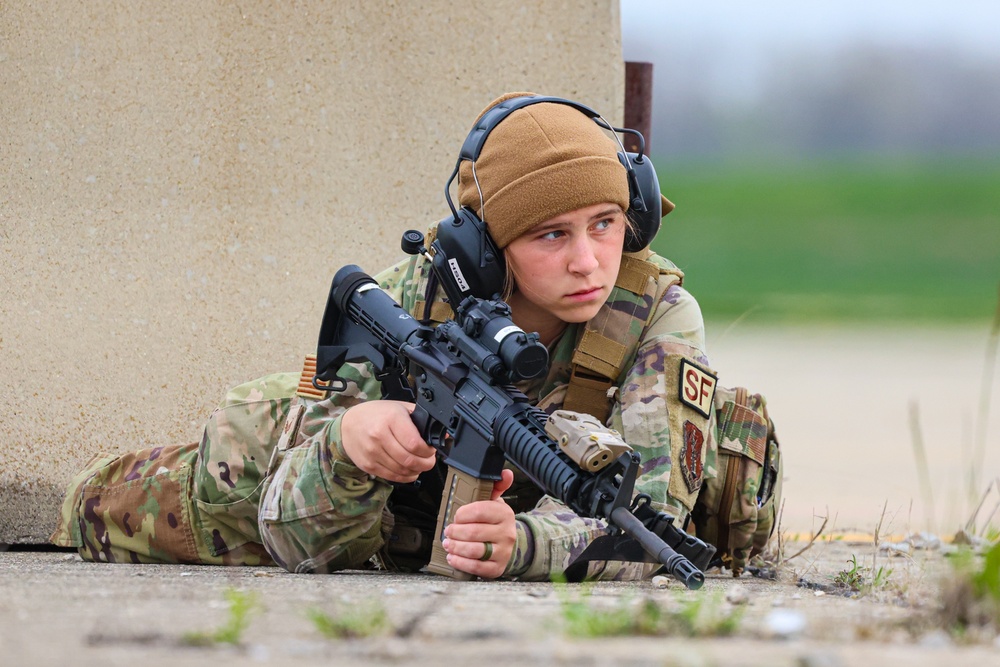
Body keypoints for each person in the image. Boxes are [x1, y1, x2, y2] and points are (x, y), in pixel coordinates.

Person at [52, 92, 773, 581]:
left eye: (606, 225)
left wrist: (527, 546)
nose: (588, 260)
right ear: (489, 248)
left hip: (533, 510)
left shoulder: (656, 311)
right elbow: (292, 538)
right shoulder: (417, 301)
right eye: (551, 234)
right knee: (97, 510)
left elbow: (653, 513)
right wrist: (350, 443)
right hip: (354, 504)